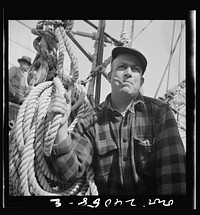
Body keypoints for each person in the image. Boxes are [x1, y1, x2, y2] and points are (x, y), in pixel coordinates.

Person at [46, 47, 186, 195]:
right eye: (122, 67)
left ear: (141, 81)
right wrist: (61, 127)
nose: (128, 73)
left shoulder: (160, 113)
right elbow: (70, 173)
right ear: (110, 75)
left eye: (135, 69)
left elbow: (174, 178)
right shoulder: (90, 120)